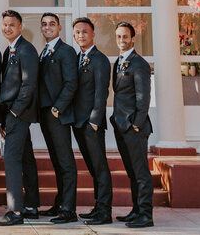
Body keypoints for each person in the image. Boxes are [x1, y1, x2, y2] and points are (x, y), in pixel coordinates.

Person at [0, 10, 39, 227]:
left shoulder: (27, 50)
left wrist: (14, 113)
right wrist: (5, 118)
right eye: (4, 25)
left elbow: (29, 85)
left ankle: (15, 211)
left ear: (20, 27)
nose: (7, 28)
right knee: (27, 158)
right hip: (11, 114)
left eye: (12, 25)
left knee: (12, 159)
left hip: (20, 114)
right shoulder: (8, 51)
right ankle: (31, 205)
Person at [110, 21, 154, 229]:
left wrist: (136, 124)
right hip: (121, 125)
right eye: (118, 36)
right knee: (132, 172)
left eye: (125, 37)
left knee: (141, 172)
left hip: (134, 127)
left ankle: (146, 214)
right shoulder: (118, 62)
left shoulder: (139, 64)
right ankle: (136, 210)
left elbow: (143, 98)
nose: (121, 40)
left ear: (133, 38)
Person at [37, 11, 79, 223]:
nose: (47, 27)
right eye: (44, 24)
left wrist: (57, 108)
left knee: (66, 162)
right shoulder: (43, 52)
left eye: (51, 24)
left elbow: (71, 83)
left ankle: (68, 210)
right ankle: (60, 202)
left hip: (58, 115)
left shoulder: (67, 51)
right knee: (56, 160)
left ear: (59, 27)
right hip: (45, 114)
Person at [71, 17, 113, 226]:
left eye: (84, 32)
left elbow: (101, 92)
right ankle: (98, 207)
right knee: (92, 167)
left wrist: (95, 121)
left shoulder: (100, 59)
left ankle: (105, 211)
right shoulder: (78, 58)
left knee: (100, 167)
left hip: (92, 124)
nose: (81, 35)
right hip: (79, 123)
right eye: (77, 32)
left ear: (93, 33)